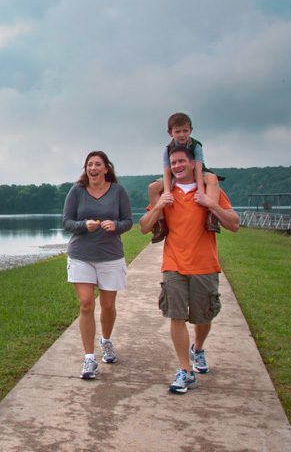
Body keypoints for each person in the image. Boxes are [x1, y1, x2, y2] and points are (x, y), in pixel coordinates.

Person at [139, 145, 239, 394]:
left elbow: (234, 224)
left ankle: (199, 348)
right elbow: (143, 227)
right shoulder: (167, 192)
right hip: (173, 264)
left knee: (203, 317)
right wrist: (160, 206)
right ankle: (185, 370)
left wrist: (210, 204)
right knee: (176, 315)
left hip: (204, 264)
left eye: (182, 161)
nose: (177, 166)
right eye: (173, 163)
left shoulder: (209, 191)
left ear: (193, 164)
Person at [62, 150, 133, 380]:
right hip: (81, 255)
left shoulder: (118, 191)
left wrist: (116, 226)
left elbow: (128, 221)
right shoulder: (77, 191)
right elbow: (66, 221)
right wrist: (84, 225)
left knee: (108, 305)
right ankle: (89, 359)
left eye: (97, 164)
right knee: (85, 304)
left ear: (106, 168)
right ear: (86, 169)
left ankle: (106, 340)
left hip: (110, 256)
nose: (93, 168)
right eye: (89, 164)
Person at [148, 112, 224, 243]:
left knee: (212, 179)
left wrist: (200, 191)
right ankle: (160, 223)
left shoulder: (196, 146)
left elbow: (199, 169)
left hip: (196, 171)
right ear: (170, 133)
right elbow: (166, 172)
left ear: (191, 130)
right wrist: (166, 192)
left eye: (185, 131)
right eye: (177, 131)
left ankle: (212, 216)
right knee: (153, 187)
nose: (182, 135)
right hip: (175, 174)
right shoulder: (167, 149)